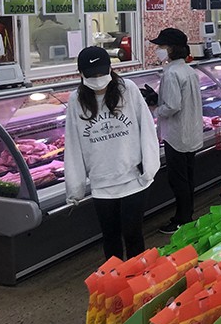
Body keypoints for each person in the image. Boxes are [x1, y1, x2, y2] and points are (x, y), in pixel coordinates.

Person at [64, 46, 160, 260]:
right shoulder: (76, 100)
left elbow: (146, 127)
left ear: (110, 69)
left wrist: (150, 167)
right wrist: (75, 187)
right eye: (92, 75)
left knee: (133, 235)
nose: (98, 80)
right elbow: (73, 143)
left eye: (101, 73)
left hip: (133, 179)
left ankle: (138, 278)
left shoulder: (128, 89)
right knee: (110, 239)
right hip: (101, 184)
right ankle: (115, 278)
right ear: (81, 74)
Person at [145, 28, 204, 235]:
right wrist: (158, 98)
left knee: (178, 180)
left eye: (162, 46)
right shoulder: (188, 70)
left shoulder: (171, 73)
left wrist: (155, 109)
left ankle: (182, 220)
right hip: (191, 133)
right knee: (187, 178)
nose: (158, 50)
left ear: (172, 48)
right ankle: (188, 215)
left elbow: (172, 106)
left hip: (176, 136)